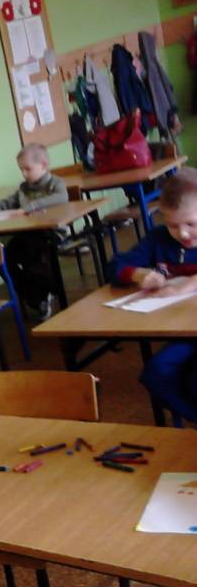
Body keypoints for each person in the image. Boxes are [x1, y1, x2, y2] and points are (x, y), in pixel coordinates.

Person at [108, 167, 197, 423]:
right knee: (156, 372)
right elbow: (116, 265)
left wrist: (188, 284)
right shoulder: (159, 240)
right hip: (182, 333)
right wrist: (138, 274)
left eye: (191, 224)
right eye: (172, 225)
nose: (183, 233)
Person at [0, 143, 69, 320]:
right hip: (27, 234)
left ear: (43, 165)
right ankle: (37, 297)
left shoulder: (55, 184)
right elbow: (6, 203)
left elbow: (61, 198)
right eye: (21, 169)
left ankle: (48, 290)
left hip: (51, 233)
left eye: (27, 169)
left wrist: (29, 207)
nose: (23, 174)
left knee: (32, 253)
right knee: (1, 257)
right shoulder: (24, 188)